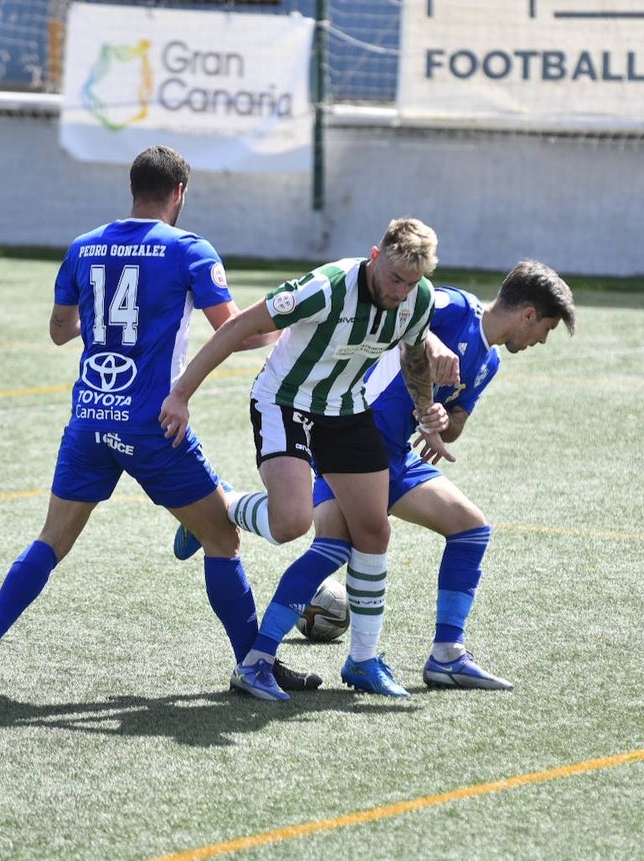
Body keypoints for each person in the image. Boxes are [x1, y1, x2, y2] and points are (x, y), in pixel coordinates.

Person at [0, 145, 315, 693]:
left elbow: (60, 330)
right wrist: (288, 320)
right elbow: (239, 333)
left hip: (89, 418)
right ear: (179, 193)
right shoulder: (189, 249)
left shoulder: (84, 247)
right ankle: (252, 665)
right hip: (152, 425)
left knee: (50, 541)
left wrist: (108, 325)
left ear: (132, 188)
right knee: (224, 540)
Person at [159, 217, 454, 701]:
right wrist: (181, 395)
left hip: (346, 411)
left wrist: (426, 413)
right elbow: (238, 327)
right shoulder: (327, 287)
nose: (402, 292)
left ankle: (362, 661)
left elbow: (415, 354)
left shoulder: (416, 299)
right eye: (396, 278)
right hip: (284, 403)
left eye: (413, 282)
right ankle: (219, 509)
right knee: (291, 523)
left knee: (374, 530)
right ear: (375, 258)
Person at [311, 260, 577, 690]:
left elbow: (454, 424)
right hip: (354, 440)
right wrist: (429, 341)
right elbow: (400, 307)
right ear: (528, 314)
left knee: (471, 528)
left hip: (396, 456)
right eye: (545, 329)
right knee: (325, 545)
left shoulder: (489, 364)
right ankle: (229, 512)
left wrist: (438, 420)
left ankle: (447, 656)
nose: (541, 340)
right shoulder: (455, 307)